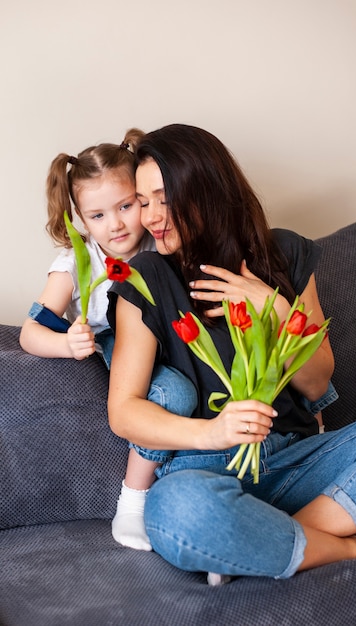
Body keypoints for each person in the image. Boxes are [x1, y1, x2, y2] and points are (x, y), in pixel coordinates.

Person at [107, 123, 356, 585]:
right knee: (178, 510)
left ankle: (261, 541)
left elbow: (315, 383)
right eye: (144, 200)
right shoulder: (146, 275)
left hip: (300, 459)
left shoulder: (283, 254)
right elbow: (124, 411)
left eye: (164, 198)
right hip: (207, 469)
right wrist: (213, 432)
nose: (152, 216)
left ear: (207, 190)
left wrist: (272, 309)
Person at [19, 130, 197, 552]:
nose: (115, 224)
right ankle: (133, 499)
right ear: (80, 218)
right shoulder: (77, 261)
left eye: (125, 206)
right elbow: (30, 332)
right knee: (174, 394)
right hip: (123, 344)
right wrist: (67, 343)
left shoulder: (161, 240)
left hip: (174, 339)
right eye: (97, 215)